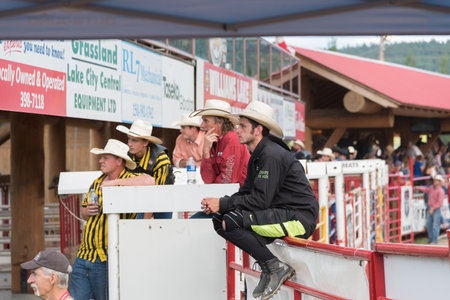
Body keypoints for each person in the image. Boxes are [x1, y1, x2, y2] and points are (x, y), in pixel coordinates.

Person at [201, 101, 318, 300]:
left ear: (258, 130)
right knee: (219, 218)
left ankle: (275, 267)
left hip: (299, 219)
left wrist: (221, 203)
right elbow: (246, 193)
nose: (237, 130)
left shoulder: (270, 154)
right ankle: (269, 266)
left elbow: (260, 201)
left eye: (243, 126)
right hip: (285, 213)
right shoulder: (260, 153)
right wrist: (220, 203)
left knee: (230, 220)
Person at [70, 139, 154, 300]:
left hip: (107, 256)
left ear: (119, 161)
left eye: (106, 157)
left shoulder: (128, 179)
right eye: (101, 157)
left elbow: (150, 181)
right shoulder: (97, 181)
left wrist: (115, 183)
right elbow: (83, 211)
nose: (100, 160)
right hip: (84, 254)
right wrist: (86, 211)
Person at [117, 119, 174, 219]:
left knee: (162, 229)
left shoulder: (162, 160)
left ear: (146, 143)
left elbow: (157, 195)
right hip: (135, 198)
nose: (129, 144)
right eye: (129, 139)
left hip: (162, 199)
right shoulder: (126, 154)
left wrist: (144, 222)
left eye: (134, 140)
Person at [191, 99, 250, 186]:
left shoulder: (232, 138)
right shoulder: (213, 140)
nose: (202, 125)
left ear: (220, 122)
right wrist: (206, 152)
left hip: (240, 195)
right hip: (226, 194)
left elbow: (228, 181)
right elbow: (207, 180)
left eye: (206, 121)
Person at [414, 175, 445, 244]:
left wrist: (433, 208)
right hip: (431, 208)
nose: (435, 181)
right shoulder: (432, 188)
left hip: (435, 209)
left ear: (440, 182)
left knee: (435, 225)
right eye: (435, 180)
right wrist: (419, 187)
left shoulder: (440, 191)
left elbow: (439, 203)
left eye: (436, 180)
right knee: (429, 224)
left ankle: (434, 240)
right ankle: (431, 239)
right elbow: (426, 190)